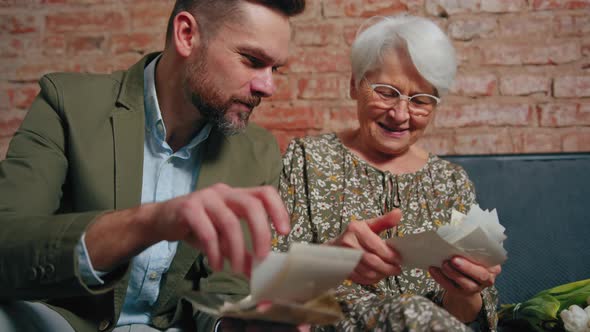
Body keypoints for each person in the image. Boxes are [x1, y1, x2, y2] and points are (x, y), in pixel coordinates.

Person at [0, 1, 306, 331]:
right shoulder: (68, 103)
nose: (268, 87)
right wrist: (150, 222)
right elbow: (7, 244)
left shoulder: (258, 151)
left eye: (274, 69)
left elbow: (225, 289)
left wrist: (241, 324)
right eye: (252, 61)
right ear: (187, 35)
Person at [274, 14, 502, 331]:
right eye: (386, 91)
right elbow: (267, 283)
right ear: (355, 84)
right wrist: (330, 260)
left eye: (421, 100)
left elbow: (465, 317)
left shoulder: (451, 182)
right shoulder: (306, 160)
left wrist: (466, 290)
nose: (400, 114)